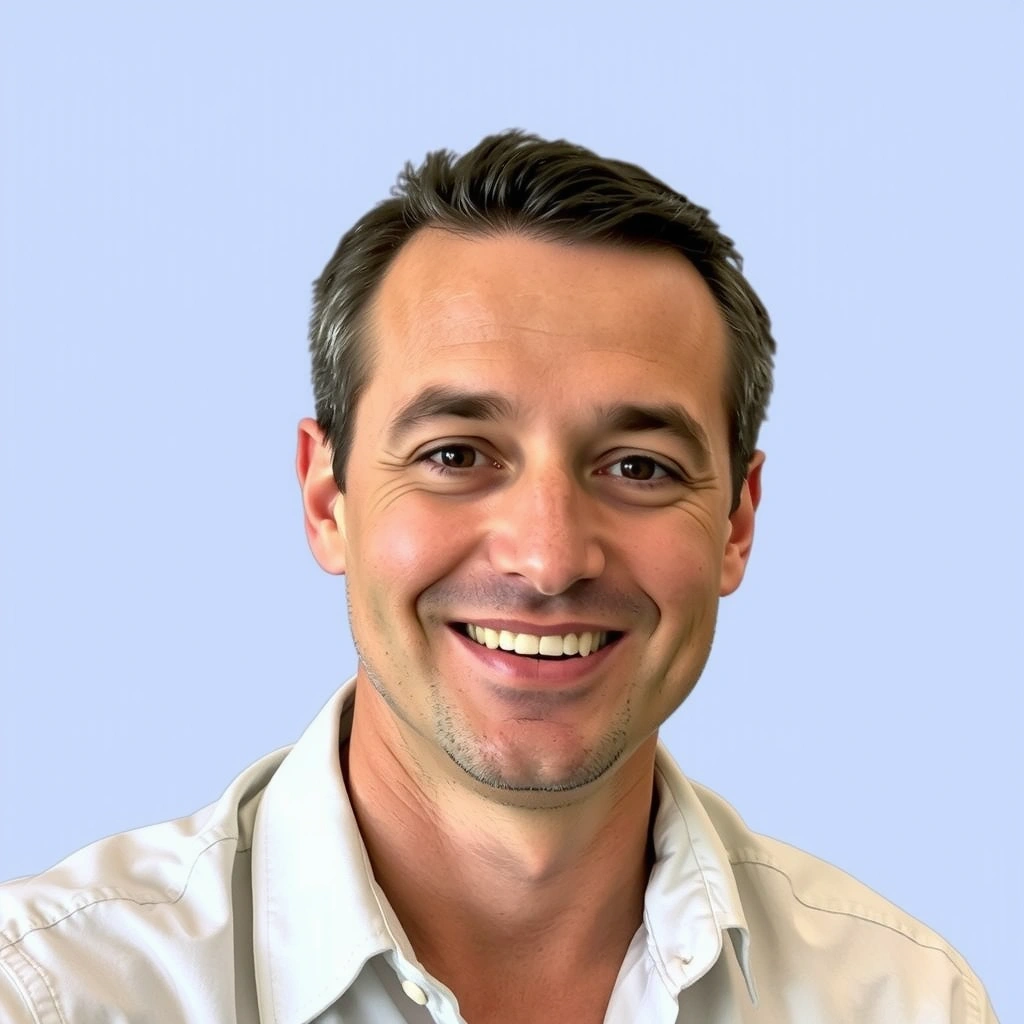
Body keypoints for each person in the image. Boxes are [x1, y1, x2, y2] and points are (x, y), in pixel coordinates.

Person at [0, 130, 998, 1023]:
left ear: (737, 520)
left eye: (637, 467)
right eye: (455, 454)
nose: (548, 557)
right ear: (326, 496)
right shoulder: (53, 995)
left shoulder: (901, 1001)